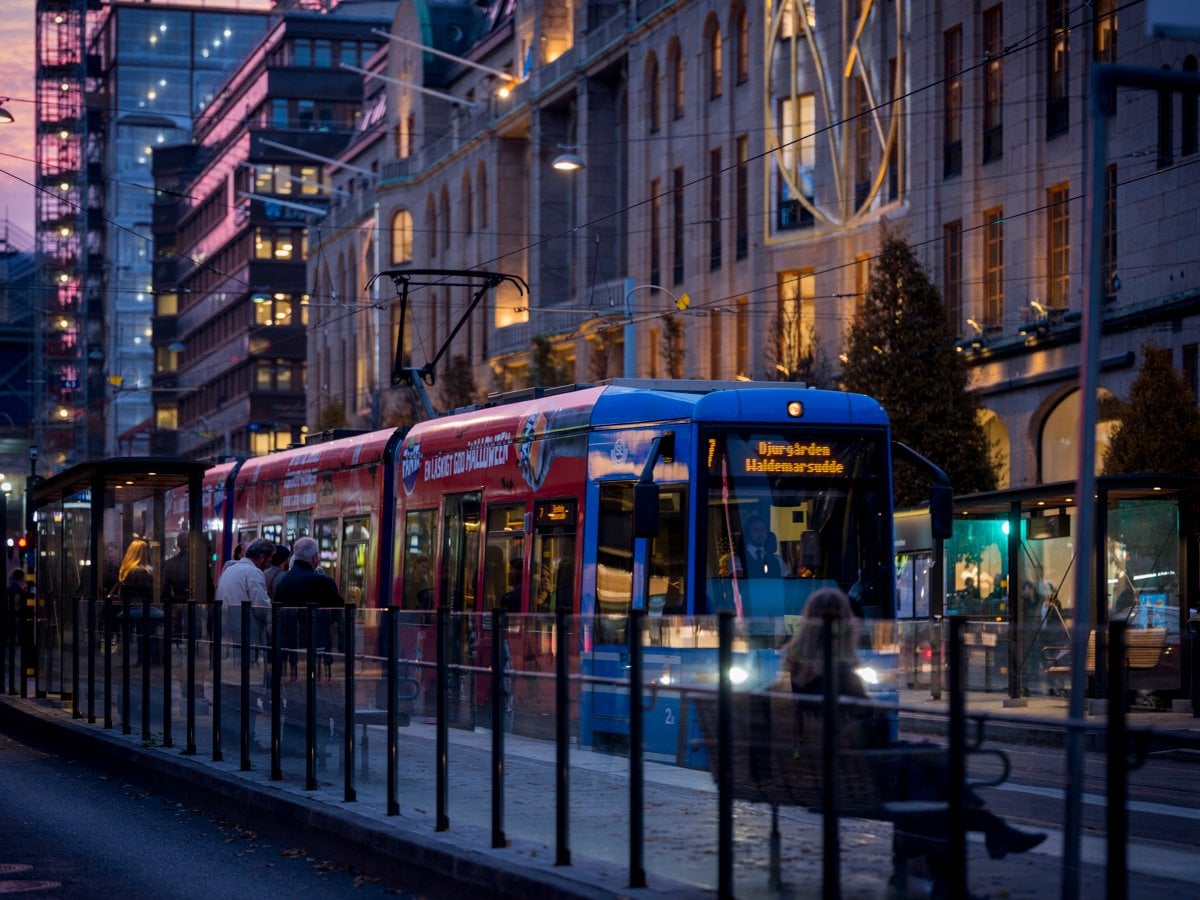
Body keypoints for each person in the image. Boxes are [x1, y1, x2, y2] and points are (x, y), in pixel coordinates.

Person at [782, 587, 1045, 891]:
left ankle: (954, 856)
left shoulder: (797, 669)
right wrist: (877, 712)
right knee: (928, 784)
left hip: (831, 770)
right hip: (857, 773)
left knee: (927, 764)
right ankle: (978, 840)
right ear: (844, 624)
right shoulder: (840, 672)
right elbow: (874, 732)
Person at [274, 537, 343, 680]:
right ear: (314, 558)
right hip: (318, 641)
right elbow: (338, 608)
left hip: (290, 641)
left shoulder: (284, 582)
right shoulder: (322, 581)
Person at [214, 537, 273, 659]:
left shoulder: (228, 571)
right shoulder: (254, 572)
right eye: (268, 561)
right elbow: (261, 607)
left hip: (226, 632)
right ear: (262, 557)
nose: (267, 566)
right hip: (248, 633)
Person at [736, 514, 782, 578]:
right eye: (756, 530)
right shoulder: (737, 560)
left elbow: (790, 583)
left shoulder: (777, 559)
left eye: (763, 529)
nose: (761, 533)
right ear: (748, 533)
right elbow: (739, 585)